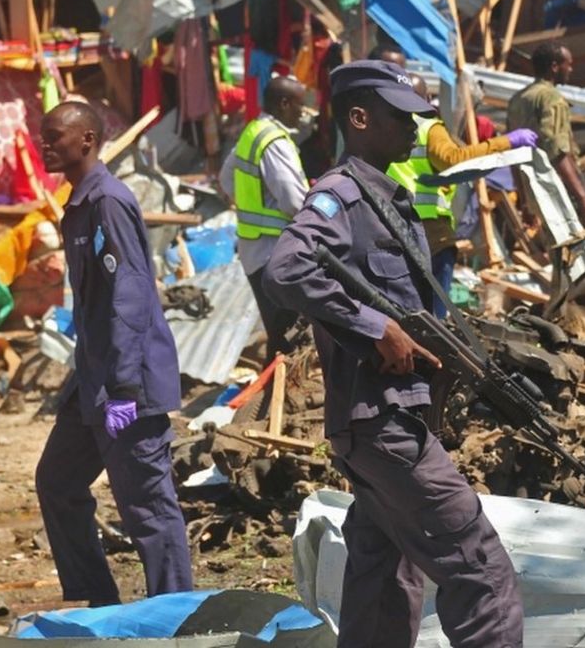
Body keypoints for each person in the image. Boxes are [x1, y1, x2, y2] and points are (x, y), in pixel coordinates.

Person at [263, 60, 523, 648]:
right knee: (481, 571)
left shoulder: (383, 193)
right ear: (358, 118)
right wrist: (374, 327)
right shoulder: (341, 195)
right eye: (401, 117)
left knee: (385, 580)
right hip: (380, 424)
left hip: (390, 420)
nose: (415, 129)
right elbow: (286, 269)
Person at [35, 101, 192, 606]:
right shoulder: (79, 205)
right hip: (95, 380)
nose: (45, 145)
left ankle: (174, 615)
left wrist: (125, 387)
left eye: (54, 136)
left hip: (127, 384)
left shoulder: (108, 201)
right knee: (57, 481)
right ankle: (97, 600)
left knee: (147, 506)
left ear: (86, 140)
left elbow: (131, 295)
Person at [388, 74, 537, 318]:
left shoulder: (382, 129)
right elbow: (453, 160)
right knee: (433, 318)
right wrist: (507, 142)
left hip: (390, 226)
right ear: (427, 100)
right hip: (430, 232)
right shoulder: (427, 127)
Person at [220, 76, 309, 359]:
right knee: (289, 338)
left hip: (254, 251)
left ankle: (271, 396)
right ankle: (275, 399)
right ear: (284, 104)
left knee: (278, 334)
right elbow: (295, 202)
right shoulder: (275, 142)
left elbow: (226, 179)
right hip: (277, 253)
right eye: (300, 106)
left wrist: (255, 203)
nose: (303, 113)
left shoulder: (254, 131)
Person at [507, 41, 585, 227]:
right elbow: (557, 151)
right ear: (555, 67)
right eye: (568, 64)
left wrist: (524, 201)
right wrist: (583, 199)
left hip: (536, 193)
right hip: (560, 192)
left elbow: (512, 154)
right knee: (581, 250)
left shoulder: (517, 100)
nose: (571, 69)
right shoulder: (551, 98)